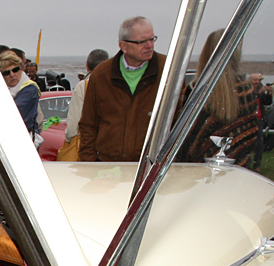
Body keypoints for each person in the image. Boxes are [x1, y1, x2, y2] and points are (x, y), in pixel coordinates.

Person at [79, 16, 166, 162]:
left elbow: (179, 122)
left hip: (151, 167)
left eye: (152, 39)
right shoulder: (101, 75)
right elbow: (88, 124)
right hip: (106, 169)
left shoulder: (168, 71)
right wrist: (89, 165)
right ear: (123, 46)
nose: (149, 45)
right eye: (142, 41)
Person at [177, 30, 258, 166]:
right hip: (236, 168)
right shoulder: (246, 90)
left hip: (198, 170)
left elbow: (187, 138)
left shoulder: (196, 90)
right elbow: (252, 133)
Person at [58, 49, 108, 161]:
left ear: (87, 66)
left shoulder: (83, 86)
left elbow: (73, 124)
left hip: (87, 147)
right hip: (108, 148)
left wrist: (69, 138)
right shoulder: (113, 86)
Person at [0, 50, 40, 139]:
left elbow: (13, 116)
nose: (12, 75)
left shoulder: (30, 89)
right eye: (6, 72)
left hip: (22, 140)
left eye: (15, 70)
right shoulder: (2, 89)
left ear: (21, 69)